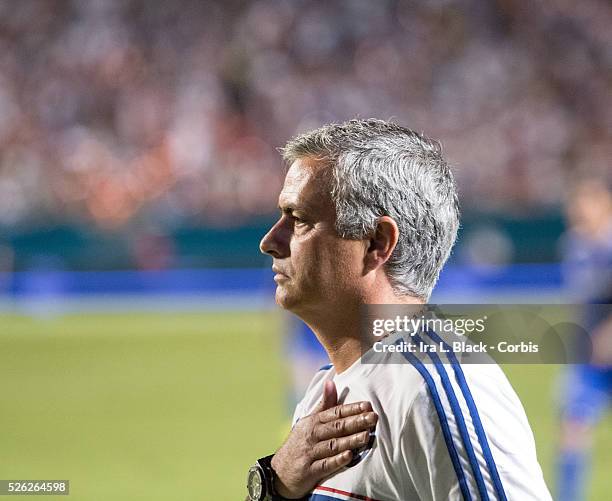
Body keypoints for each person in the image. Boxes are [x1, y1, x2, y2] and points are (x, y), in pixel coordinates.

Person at [246, 119, 552, 500]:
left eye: (301, 220)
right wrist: (276, 484)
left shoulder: (434, 393)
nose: (270, 241)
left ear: (376, 243)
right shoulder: (326, 393)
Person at [556, 178, 612, 501]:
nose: (577, 210)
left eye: (585, 202)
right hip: (589, 356)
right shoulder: (575, 245)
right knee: (572, 427)